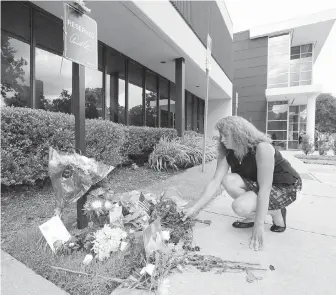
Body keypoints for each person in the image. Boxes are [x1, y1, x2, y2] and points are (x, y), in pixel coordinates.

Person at [182, 116, 302, 251]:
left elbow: (265, 187)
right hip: (258, 183)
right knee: (227, 179)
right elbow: (215, 181)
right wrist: (194, 208)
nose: (221, 140)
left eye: (225, 135)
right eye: (220, 135)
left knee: (240, 207)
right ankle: (255, 213)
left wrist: (259, 225)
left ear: (239, 134)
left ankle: (276, 212)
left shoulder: (262, 148)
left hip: (282, 186)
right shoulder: (227, 152)